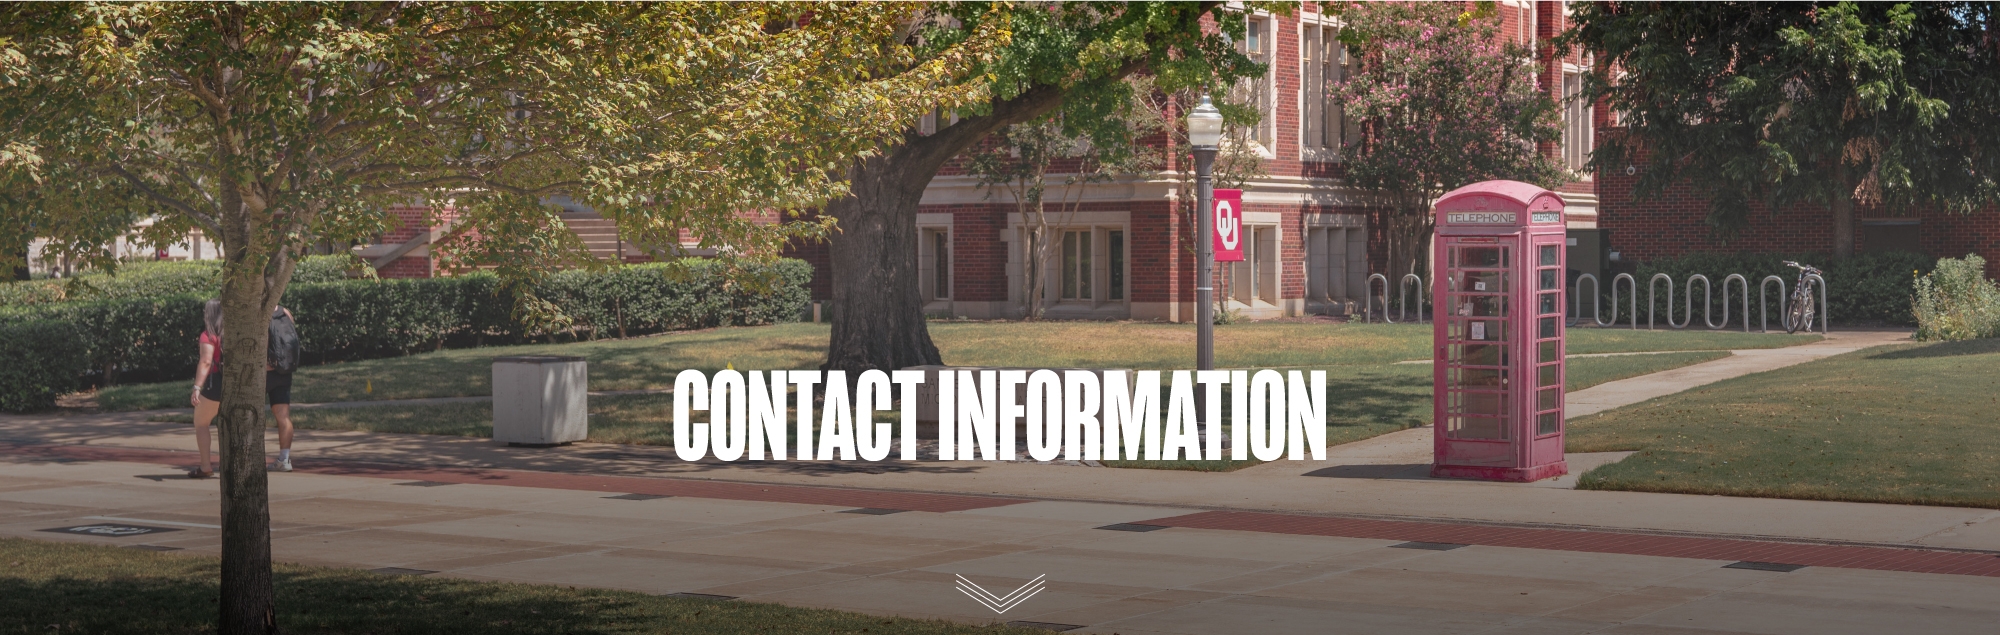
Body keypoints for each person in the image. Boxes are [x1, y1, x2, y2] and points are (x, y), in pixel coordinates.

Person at [189, 299, 224, 478]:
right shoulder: (234, 333)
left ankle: (205, 466)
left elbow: (206, 361)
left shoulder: (208, 335)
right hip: (237, 383)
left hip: (216, 384)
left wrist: (197, 387)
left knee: (201, 423)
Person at [267, 305, 299, 472]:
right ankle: (284, 458)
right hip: (283, 369)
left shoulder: (259, 311)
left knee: (250, 414)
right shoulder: (285, 312)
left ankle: (248, 458)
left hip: (264, 370)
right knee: (283, 416)